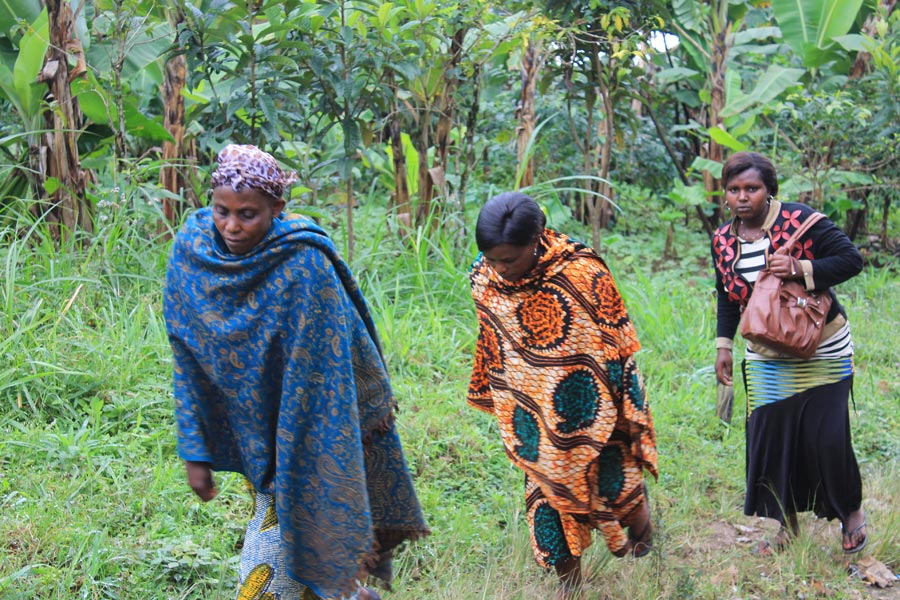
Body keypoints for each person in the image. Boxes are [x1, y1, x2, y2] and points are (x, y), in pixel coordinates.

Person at [163, 144, 428, 600]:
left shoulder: (304, 265)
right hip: (255, 432)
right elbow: (187, 356)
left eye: (248, 214)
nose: (231, 226)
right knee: (306, 565)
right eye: (222, 211)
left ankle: (345, 592)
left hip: (314, 432)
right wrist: (195, 448)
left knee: (272, 577)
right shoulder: (193, 254)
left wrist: (295, 452)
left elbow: (321, 379)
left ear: (277, 208)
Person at [467, 192, 658, 599]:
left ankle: (641, 526)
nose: (501, 268)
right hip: (529, 411)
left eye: (509, 259)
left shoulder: (581, 271)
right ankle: (569, 585)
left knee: (612, 479)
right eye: (493, 259)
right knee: (545, 496)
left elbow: (615, 338)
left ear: (537, 237)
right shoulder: (482, 276)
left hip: (589, 402)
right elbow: (493, 340)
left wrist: (619, 408)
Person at [711, 151, 867, 556]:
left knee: (828, 436)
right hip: (765, 352)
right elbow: (727, 298)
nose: (742, 197)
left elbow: (852, 260)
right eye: (734, 189)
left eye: (752, 188)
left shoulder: (802, 221)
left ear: (769, 190)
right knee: (772, 437)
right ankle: (786, 527)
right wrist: (723, 345)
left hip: (823, 346)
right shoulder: (723, 240)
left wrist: (800, 268)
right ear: (725, 193)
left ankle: (851, 515)